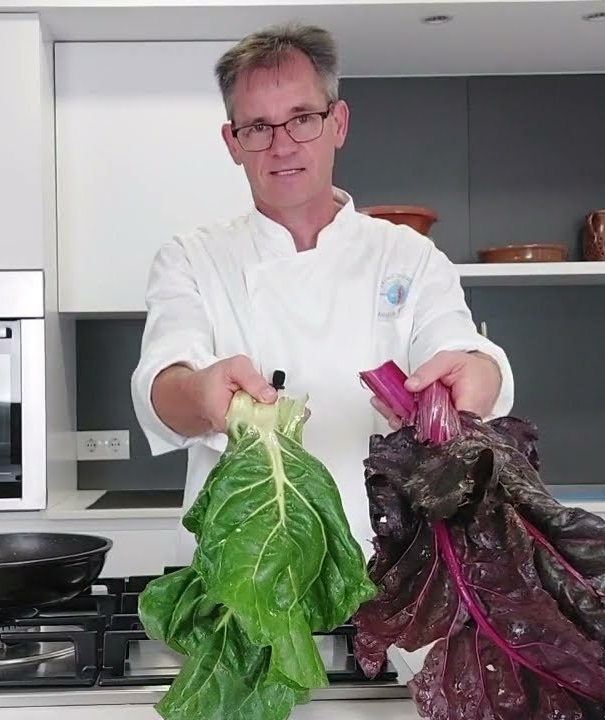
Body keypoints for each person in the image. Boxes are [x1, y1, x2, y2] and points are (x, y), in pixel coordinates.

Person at [129, 22, 514, 564]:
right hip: (241, 566)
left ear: (338, 122)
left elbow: (464, 353)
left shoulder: (408, 255)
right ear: (232, 143)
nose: (282, 145)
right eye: (258, 127)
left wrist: (476, 377)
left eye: (302, 119)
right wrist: (202, 395)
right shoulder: (192, 257)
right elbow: (162, 383)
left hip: (389, 566)